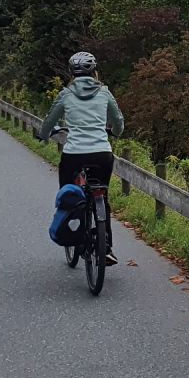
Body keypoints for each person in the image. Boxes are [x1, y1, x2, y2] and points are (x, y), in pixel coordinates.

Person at [38, 51, 125, 265]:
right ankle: (106, 247)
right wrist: (115, 131)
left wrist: (43, 134)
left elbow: (50, 121)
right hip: (102, 154)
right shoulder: (104, 92)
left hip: (74, 154)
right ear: (94, 72)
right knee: (102, 196)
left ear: (71, 73)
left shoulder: (66, 94)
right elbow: (119, 121)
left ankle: (71, 233)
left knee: (68, 196)